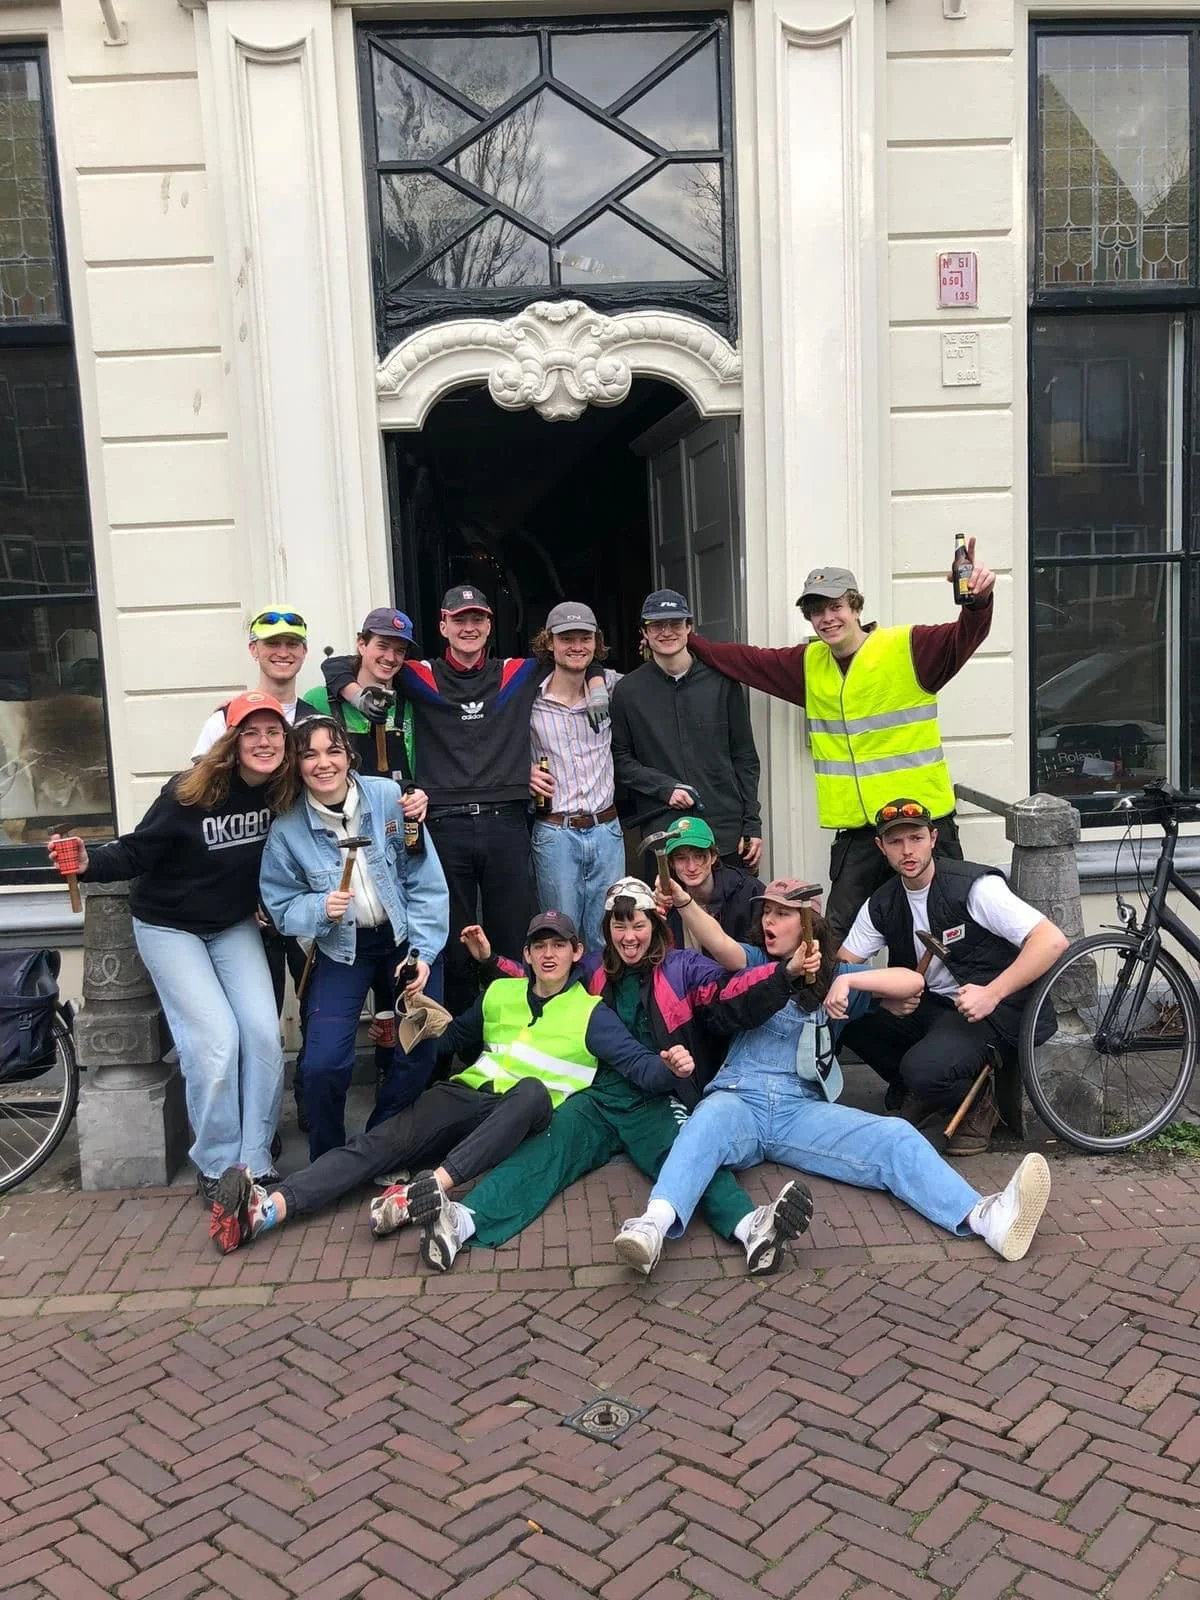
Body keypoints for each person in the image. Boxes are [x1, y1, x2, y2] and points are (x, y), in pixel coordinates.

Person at [613, 876, 1053, 1275]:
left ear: (807, 923)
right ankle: (653, 1226)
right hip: (737, 1098)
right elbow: (719, 942)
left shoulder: (837, 974)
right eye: (766, 911)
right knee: (702, 1125)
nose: (769, 920)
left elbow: (911, 983)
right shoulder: (751, 960)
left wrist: (849, 984)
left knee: (895, 1136)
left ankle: (984, 1217)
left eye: (781, 913)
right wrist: (687, 900)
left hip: (799, 1112)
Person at [207, 908, 695, 1258]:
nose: (548, 955)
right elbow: (451, 1040)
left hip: (524, 1116)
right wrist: (401, 1037)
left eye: (558, 946)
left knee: (529, 1089)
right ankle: (265, 1211)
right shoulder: (500, 992)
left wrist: (670, 1066)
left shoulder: (593, 1012)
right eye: (539, 946)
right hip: (466, 1098)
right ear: (526, 954)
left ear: (576, 953)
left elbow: (638, 1066)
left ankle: (428, 1188)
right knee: (379, 1142)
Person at [414, 878, 822, 1276]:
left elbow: (731, 992)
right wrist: (489, 963)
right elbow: (537, 978)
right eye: (619, 925)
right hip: (598, 1095)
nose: (629, 936)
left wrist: (783, 975)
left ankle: (752, 1228)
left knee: (685, 1156)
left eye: (638, 924)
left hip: (657, 1097)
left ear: (656, 927)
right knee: (545, 1152)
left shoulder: (684, 968)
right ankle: (462, 1221)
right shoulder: (592, 968)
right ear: (607, 930)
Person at [48, 692, 294, 1200]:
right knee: (215, 1039)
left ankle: (256, 1159)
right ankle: (217, 1161)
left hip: (231, 925)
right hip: (170, 928)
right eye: (252, 733)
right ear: (231, 742)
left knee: (264, 1037)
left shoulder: (284, 792)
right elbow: (137, 851)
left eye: (273, 732)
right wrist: (87, 862)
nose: (264, 742)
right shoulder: (190, 792)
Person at [322, 585, 609, 1016]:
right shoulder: (419, 674)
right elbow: (339, 664)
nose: (469, 628)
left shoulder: (516, 672)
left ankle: (515, 1034)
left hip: (506, 823)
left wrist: (599, 685)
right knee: (454, 943)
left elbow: (578, 653)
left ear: (490, 625)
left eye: (478, 619)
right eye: (459, 620)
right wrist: (354, 694)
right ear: (444, 626)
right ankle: (458, 1046)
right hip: (444, 825)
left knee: (512, 940)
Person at [685, 548, 996, 943]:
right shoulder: (810, 664)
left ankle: (959, 1002)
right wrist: (689, 642)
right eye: (817, 611)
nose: (827, 619)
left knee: (950, 930)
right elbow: (749, 660)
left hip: (919, 824)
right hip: (859, 834)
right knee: (836, 938)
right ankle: (839, 1004)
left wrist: (978, 601)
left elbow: (965, 636)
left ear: (855, 606)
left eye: (835, 606)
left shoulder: (908, 647)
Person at [258, 717, 448, 1162]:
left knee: (419, 1042)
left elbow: (425, 881)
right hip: (343, 949)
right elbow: (281, 906)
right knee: (323, 1062)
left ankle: (380, 1142)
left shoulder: (388, 799)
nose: (324, 764)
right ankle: (330, 1161)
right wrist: (318, 909)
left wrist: (422, 954)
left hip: (404, 939)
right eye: (309, 755)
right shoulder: (287, 829)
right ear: (296, 764)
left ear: (349, 757)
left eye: (333, 751)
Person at [836, 799, 1069, 1153]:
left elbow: (1051, 940)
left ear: (933, 838)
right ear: (881, 848)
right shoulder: (882, 903)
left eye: (915, 838)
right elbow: (845, 965)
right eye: (895, 843)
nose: (907, 851)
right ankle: (926, 1092)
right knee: (849, 1015)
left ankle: (977, 1103)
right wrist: (885, 996)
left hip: (992, 1012)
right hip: (933, 1006)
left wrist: (992, 993)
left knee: (922, 1068)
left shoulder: (973, 887)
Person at [610, 589, 763, 872]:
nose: (666, 632)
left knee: (732, 912)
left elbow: (744, 757)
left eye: (675, 624)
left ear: (689, 628)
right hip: (664, 830)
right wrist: (664, 788)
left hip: (723, 830)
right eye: (657, 625)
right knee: (669, 915)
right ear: (644, 631)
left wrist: (752, 823)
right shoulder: (627, 692)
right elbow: (620, 759)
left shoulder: (722, 683)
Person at [528, 601, 624, 950]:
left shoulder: (613, 687)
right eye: (566, 638)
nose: (576, 646)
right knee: (559, 933)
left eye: (585, 638)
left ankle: (601, 1004)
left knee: (607, 933)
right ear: (549, 643)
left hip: (606, 831)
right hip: (556, 833)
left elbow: (662, 674)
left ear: (596, 643)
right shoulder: (529, 697)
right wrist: (521, 771)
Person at [303, 608, 417, 784]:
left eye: (400, 651)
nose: (390, 657)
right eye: (383, 646)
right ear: (362, 644)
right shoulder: (319, 700)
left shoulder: (411, 702)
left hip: (396, 808)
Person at [191, 606, 320, 758]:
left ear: (304, 651)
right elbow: (201, 778)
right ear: (253, 649)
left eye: (292, 644)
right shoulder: (225, 719)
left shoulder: (317, 721)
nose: (283, 653)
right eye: (272, 643)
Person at [659, 815, 764, 949]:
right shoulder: (669, 901)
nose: (691, 867)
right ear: (672, 863)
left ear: (713, 857)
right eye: (681, 858)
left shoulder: (748, 891)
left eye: (699, 856)